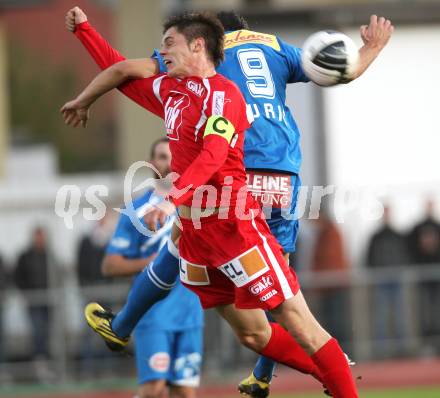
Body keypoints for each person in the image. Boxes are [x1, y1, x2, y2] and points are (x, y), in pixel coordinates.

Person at [65, 8, 393, 397]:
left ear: (199, 44)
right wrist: (84, 32)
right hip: (227, 218)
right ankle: (294, 371)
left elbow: (213, 154)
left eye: (169, 43)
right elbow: (120, 75)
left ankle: (122, 327)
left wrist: (172, 200)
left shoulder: (223, 94)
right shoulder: (178, 88)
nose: (161, 51)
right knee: (253, 330)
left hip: (234, 218)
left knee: (293, 315)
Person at [99, 137, 203, 398]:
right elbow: (110, 265)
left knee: (185, 392)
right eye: (161, 156)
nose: (168, 163)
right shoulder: (135, 210)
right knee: (153, 390)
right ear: (150, 164)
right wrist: (157, 263)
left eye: (172, 156)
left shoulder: (193, 203)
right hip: (153, 314)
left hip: (191, 312)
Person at [365, 204, 410, 356]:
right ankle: (381, 349)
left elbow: (405, 254)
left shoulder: (398, 235)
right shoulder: (376, 236)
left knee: (400, 315)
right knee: (381, 316)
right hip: (381, 280)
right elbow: (369, 258)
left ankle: (402, 348)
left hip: (396, 279)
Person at [407, 199, 440, 343]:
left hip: (436, 276)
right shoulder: (417, 228)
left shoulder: (437, 226)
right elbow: (410, 246)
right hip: (422, 277)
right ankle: (426, 340)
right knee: (423, 311)